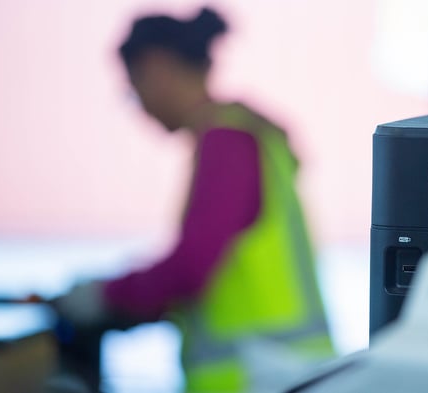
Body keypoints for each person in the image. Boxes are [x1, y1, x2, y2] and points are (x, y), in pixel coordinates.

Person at [55, 7, 333, 392]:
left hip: (255, 378)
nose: (141, 106)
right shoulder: (246, 135)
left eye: (134, 88)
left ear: (157, 69)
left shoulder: (228, 144)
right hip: (286, 372)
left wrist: (106, 294)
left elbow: (192, 266)